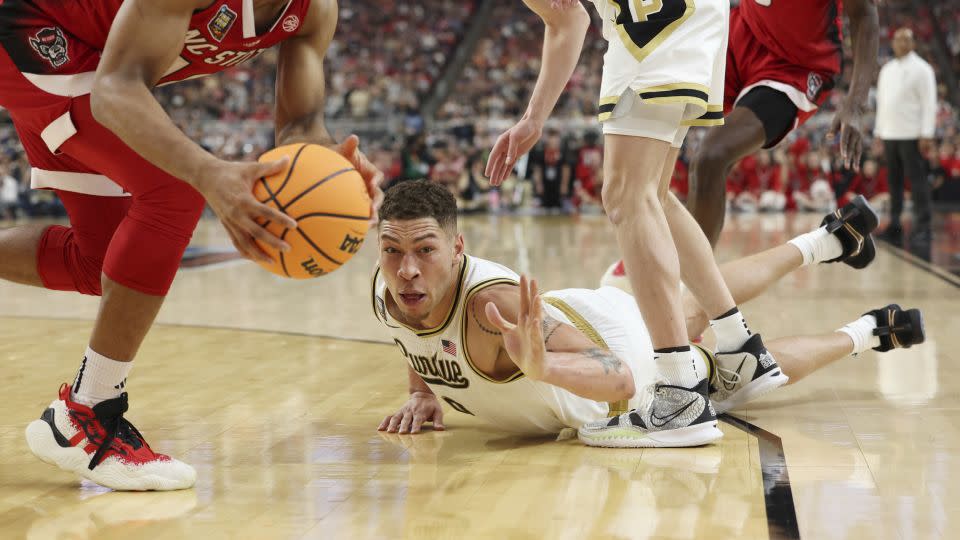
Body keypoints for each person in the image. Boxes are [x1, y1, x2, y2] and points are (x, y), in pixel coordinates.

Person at [0, 0, 382, 491]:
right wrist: (207, 174)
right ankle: (86, 413)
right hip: (29, 29)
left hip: (86, 61)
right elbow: (114, 92)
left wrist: (331, 168)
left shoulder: (313, 12)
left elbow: (298, 130)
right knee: (176, 189)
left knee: (101, 263)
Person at [373, 181, 924, 441]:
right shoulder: (390, 289)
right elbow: (415, 334)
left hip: (616, 363)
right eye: (393, 251)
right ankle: (827, 241)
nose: (407, 271)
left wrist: (545, 369)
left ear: (458, 248)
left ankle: (871, 331)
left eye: (425, 250)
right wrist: (423, 392)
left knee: (736, 377)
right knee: (691, 309)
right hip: (586, 310)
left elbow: (619, 377)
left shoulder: (490, 306)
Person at [484, 0, 786, 448]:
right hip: (688, 17)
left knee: (628, 195)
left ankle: (678, 393)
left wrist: (534, 118)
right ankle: (739, 347)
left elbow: (566, 18)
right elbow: (571, 17)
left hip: (657, 25)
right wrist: (534, 118)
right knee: (652, 194)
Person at [686, 0, 878, 245]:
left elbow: (865, 14)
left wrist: (856, 104)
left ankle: (693, 279)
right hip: (742, 31)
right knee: (658, 127)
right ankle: (648, 242)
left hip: (797, 65)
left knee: (710, 157)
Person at [874, 28, 938, 243]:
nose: (901, 43)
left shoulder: (923, 69)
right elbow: (882, 103)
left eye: (906, 39)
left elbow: (929, 103)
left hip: (912, 134)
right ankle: (894, 223)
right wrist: (878, 132)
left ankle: (923, 225)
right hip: (890, 133)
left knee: (917, 182)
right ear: (892, 43)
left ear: (913, 43)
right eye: (898, 39)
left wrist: (927, 133)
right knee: (894, 182)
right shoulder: (887, 69)